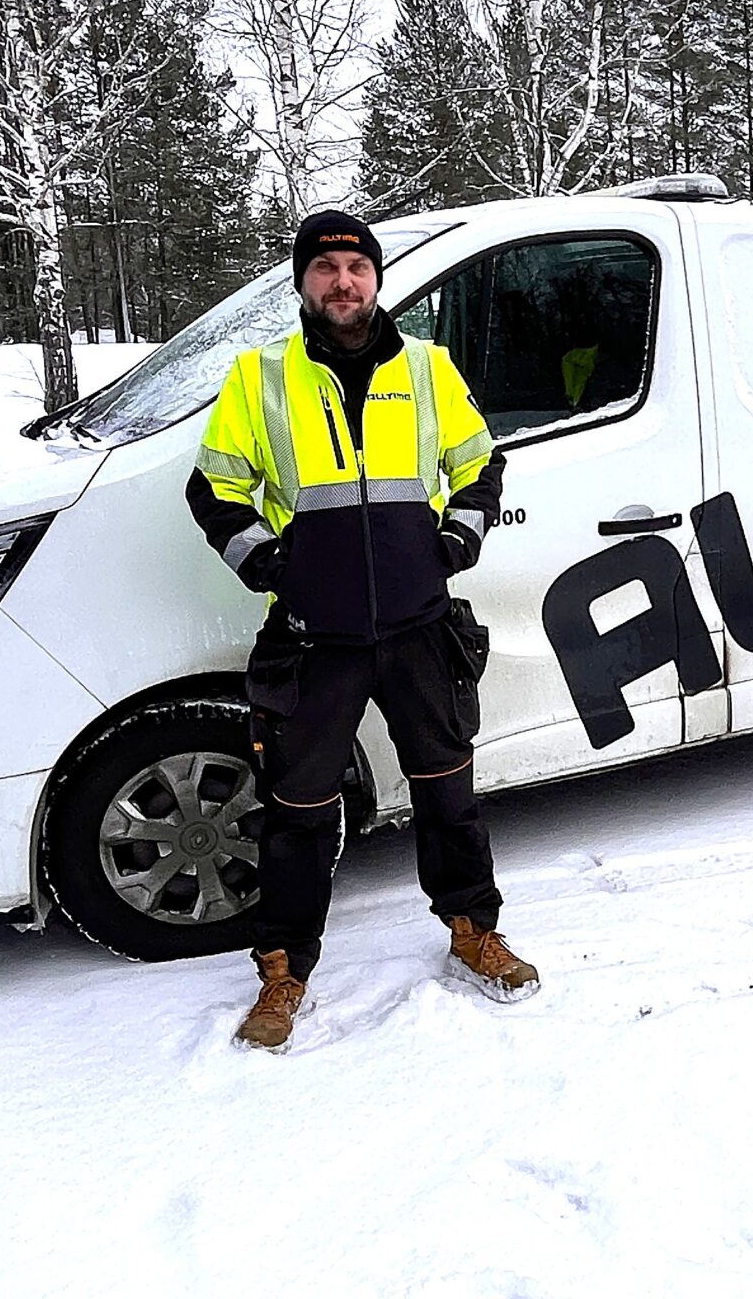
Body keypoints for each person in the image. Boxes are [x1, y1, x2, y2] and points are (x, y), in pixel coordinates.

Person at [186, 209, 539, 1050]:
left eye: (356, 268)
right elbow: (214, 488)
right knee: (298, 811)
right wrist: (272, 566)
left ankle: (473, 932)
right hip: (315, 636)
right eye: (326, 268)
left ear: (376, 280)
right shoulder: (261, 377)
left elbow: (480, 462)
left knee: (449, 795)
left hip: (419, 627)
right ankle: (283, 970)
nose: (343, 282)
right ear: (303, 282)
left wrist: (457, 541)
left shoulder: (426, 367)